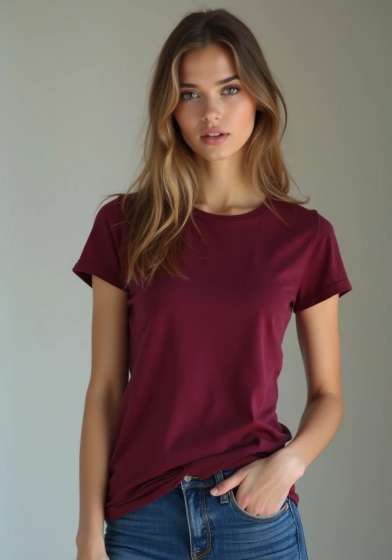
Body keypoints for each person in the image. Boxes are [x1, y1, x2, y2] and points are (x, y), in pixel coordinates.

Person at [72, 8, 352, 560]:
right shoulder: (124, 224)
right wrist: (87, 533)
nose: (212, 113)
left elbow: (329, 396)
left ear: (259, 98)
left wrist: (288, 465)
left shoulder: (304, 236)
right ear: (169, 109)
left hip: (253, 516)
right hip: (142, 519)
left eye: (229, 88)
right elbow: (105, 389)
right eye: (190, 94)